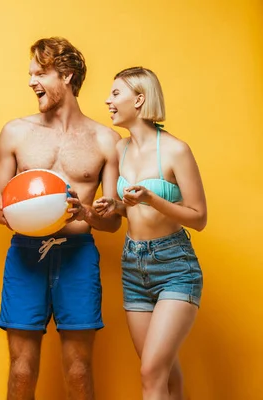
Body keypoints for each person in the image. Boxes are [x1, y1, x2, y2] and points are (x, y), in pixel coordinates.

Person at [0, 37, 122, 400]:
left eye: (41, 73)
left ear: (67, 75)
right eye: (30, 73)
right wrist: (26, 215)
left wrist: (87, 212)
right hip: (25, 253)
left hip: (79, 252)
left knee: (79, 369)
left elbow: (112, 221)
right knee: (21, 369)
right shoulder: (16, 132)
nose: (32, 81)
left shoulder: (106, 140)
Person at [94, 66, 206, 400]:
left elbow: (198, 217)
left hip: (174, 266)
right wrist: (112, 207)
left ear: (139, 99)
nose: (108, 101)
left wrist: (153, 199)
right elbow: (126, 208)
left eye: (116, 94)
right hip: (133, 266)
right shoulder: (120, 150)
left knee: (150, 372)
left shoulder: (175, 150)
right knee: (163, 372)